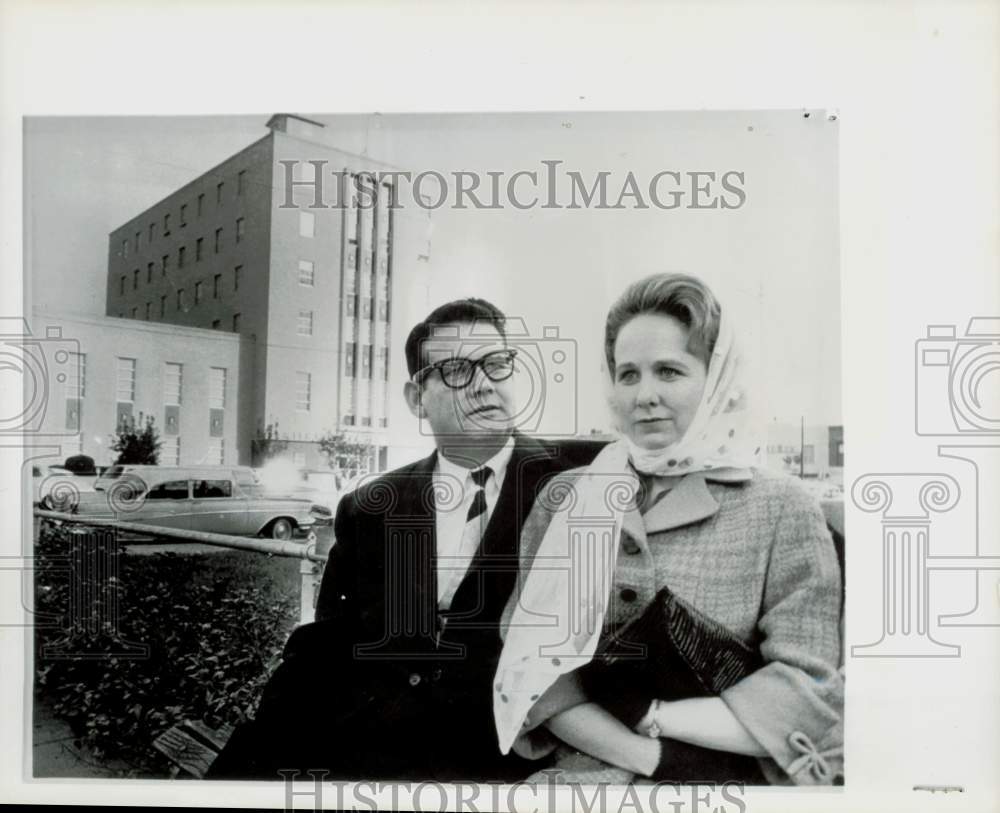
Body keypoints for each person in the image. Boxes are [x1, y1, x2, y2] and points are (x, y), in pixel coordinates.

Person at [207, 298, 585, 780]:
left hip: (500, 765)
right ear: (416, 398)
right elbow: (327, 643)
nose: (485, 383)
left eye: (497, 363)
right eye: (456, 370)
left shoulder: (573, 489)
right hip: (368, 751)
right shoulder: (372, 505)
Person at [492, 273, 844, 786]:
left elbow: (804, 694)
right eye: (628, 374)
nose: (644, 395)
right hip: (579, 785)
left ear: (717, 381)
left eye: (670, 371)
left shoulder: (782, 508)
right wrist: (648, 757)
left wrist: (649, 713)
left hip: (729, 789)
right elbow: (532, 676)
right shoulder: (565, 498)